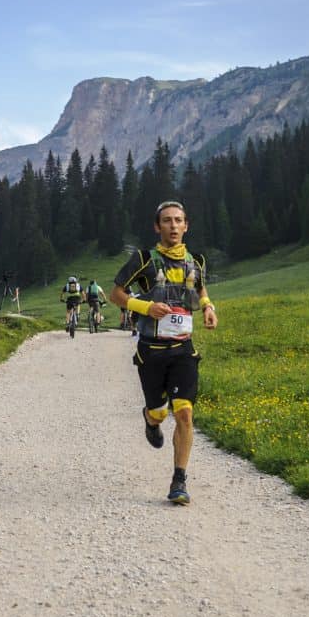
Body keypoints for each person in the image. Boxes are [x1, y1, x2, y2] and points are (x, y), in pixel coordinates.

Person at [109, 201, 218, 504]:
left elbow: (200, 291)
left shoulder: (196, 261)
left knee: (184, 412)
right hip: (151, 352)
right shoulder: (144, 260)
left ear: (186, 226)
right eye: (167, 221)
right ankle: (150, 418)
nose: (173, 226)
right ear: (157, 227)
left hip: (183, 349)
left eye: (178, 221)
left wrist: (208, 308)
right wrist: (145, 307)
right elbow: (115, 293)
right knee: (159, 411)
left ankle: (179, 481)